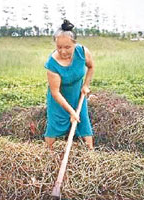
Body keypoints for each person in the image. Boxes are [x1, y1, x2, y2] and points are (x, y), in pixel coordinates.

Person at [44, 20, 94, 150]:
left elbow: (91, 67)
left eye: (67, 47)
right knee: (54, 127)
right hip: (59, 100)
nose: (63, 51)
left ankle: (91, 154)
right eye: (59, 47)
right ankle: (47, 154)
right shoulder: (52, 64)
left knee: (84, 125)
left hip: (77, 95)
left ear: (75, 44)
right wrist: (71, 112)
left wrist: (86, 85)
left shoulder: (82, 52)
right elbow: (55, 92)